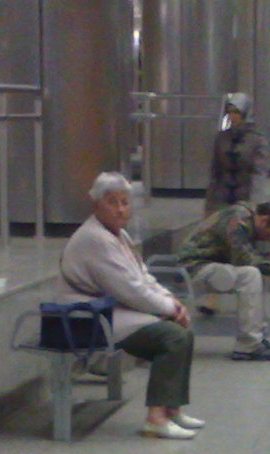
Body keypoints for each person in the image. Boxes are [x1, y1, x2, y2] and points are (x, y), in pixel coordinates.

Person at [60, 173, 203, 440]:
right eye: (112, 202)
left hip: (110, 309)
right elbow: (129, 288)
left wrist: (170, 301)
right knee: (172, 336)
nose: (120, 209)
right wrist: (169, 309)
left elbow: (142, 276)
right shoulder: (95, 238)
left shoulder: (118, 234)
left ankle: (171, 409)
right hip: (86, 316)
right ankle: (156, 418)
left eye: (124, 202)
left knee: (182, 331)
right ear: (96, 205)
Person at [177, 199, 270, 361]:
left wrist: (268, 264)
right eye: (269, 235)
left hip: (209, 265)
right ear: (264, 220)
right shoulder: (237, 219)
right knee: (250, 275)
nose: (268, 240)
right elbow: (241, 257)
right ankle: (248, 345)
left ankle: (258, 336)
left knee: (255, 273)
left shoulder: (246, 219)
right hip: (194, 268)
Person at [204, 93, 267, 210]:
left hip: (245, 198)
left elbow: (258, 173)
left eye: (236, 112)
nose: (232, 116)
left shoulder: (257, 140)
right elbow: (215, 171)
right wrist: (209, 205)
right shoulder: (221, 138)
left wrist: (254, 203)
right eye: (229, 112)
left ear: (245, 114)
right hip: (222, 197)